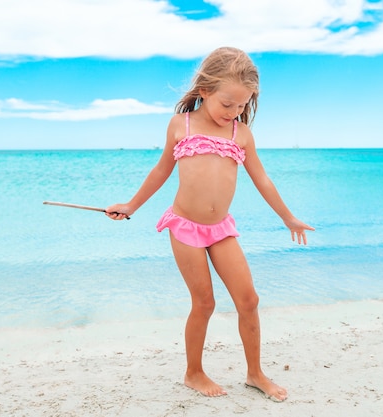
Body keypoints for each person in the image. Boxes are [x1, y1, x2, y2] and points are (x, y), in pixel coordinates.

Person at [105, 46, 314, 402]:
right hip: (185, 226)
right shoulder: (180, 125)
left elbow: (262, 179)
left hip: (221, 229)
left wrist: (287, 216)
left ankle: (255, 373)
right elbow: (160, 171)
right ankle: (193, 372)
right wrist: (132, 205)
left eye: (241, 106)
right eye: (227, 104)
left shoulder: (241, 134)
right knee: (204, 303)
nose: (233, 112)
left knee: (249, 299)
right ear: (204, 91)